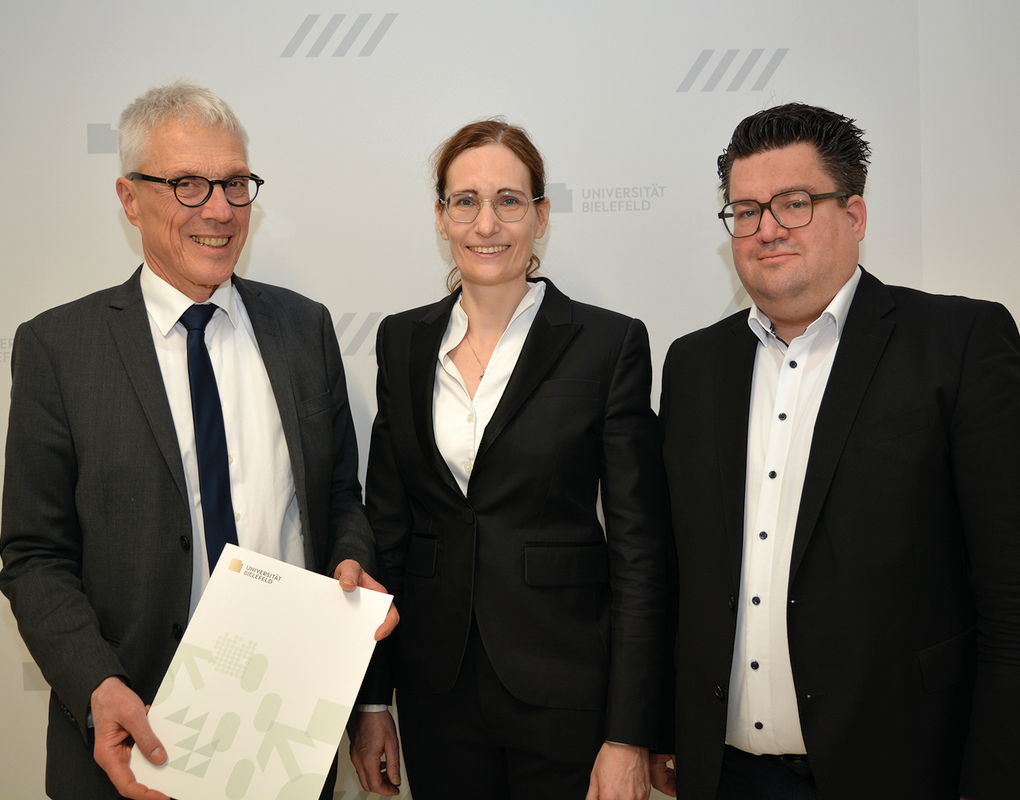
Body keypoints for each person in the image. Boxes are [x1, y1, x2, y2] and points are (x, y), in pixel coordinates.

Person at [0, 81, 397, 800]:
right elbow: (33, 554)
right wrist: (97, 682)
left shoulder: (305, 330)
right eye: (188, 185)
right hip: (132, 736)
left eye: (236, 183)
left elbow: (341, 498)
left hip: (286, 739)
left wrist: (350, 563)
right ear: (129, 198)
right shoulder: (60, 347)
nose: (219, 208)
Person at [654, 102, 1020, 799]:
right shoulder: (693, 366)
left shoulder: (959, 344)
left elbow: (1009, 596)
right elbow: (675, 572)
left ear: (854, 216)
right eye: (745, 210)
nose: (766, 230)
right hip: (724, 775)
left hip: (906, 770)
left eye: (794, 204)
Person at [348, 119, 669, 800]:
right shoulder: (401, 341)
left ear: (540, 215)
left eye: (509, 200)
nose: (486, 223)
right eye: (465, 201)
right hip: (437, 691)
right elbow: (388, 529)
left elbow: (641, 551)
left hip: (567, 692)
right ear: (440, 217)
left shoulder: (608, 345)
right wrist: (374, 704)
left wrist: (629, 732)